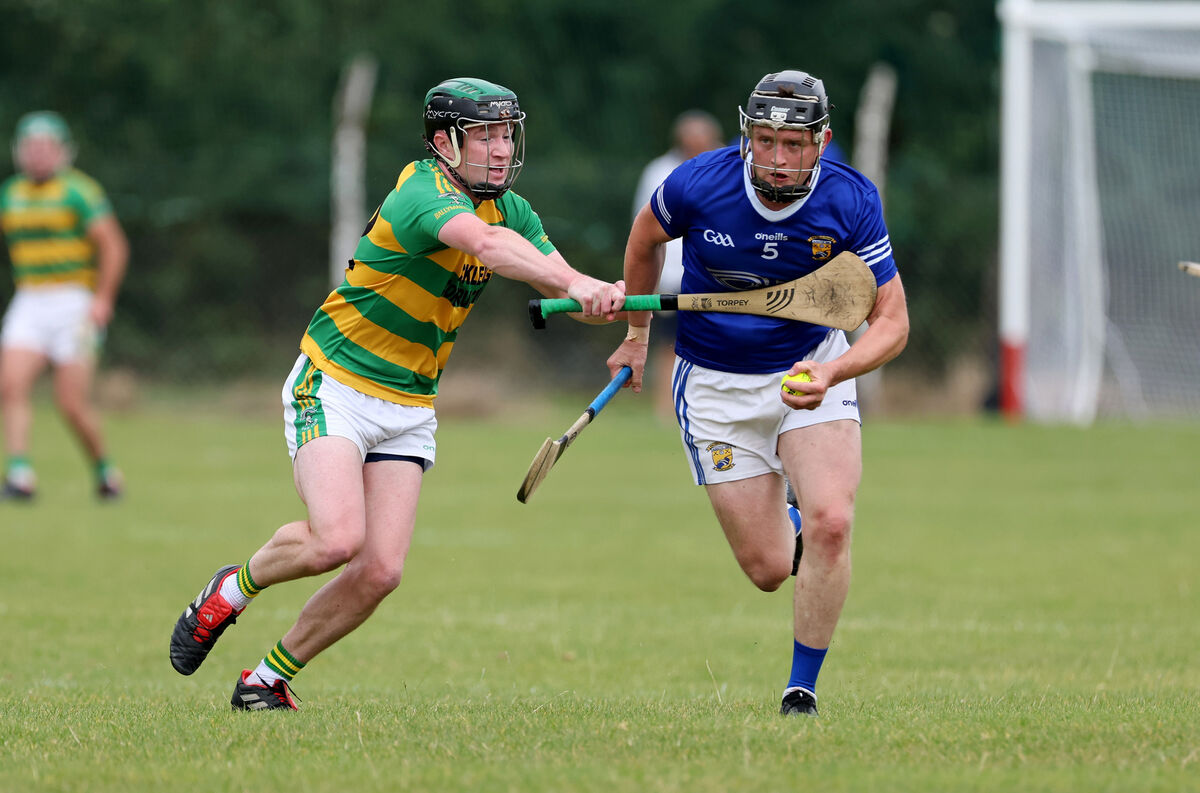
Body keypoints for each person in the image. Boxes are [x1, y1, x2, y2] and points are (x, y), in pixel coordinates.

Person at [169, 77, 625, 710]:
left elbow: (559, 292)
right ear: (444, 142)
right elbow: (491, 249)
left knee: (380, 572)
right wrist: (578, 280)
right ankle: (229, 592)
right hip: (335, 384)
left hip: (410, 406)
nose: (499, 149)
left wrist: (605, 301)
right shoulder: (423, 190)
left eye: (505, 135)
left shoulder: (515, 211)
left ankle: (265, 683)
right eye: (483, 136)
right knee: (334, 541)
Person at [607, 70, 908, 717]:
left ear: (822, 141)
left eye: (793, 144)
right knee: (770, 567)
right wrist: (636, 336)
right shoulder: (700, 183)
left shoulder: (850, 200)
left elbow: (893, 321)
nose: (775, 158)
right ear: (748, 135)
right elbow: (642, 242)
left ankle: (801, 691)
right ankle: (791, 519)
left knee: (832, 522)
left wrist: (836, 371)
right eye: (765, 140)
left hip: (808, 366)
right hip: (714, 386)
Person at [0, 111, 128, 501]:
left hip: (74, 301)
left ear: (62, 152)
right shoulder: (11, 193)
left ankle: (105, 471)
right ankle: (20, 474)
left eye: (45, 148)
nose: (37, 155)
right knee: (10, 386)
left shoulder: (80, 191)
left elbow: (114, 246)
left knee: (70, 403)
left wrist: (103, 299)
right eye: (30, 148)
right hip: (30, 299)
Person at [631, 110, 724, 419]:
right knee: (669, 344)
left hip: (716, 279)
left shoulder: (730, 172)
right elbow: (643, 229)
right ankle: (665, 410)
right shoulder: (659, 172)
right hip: (673, 277)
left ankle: (709, 409)